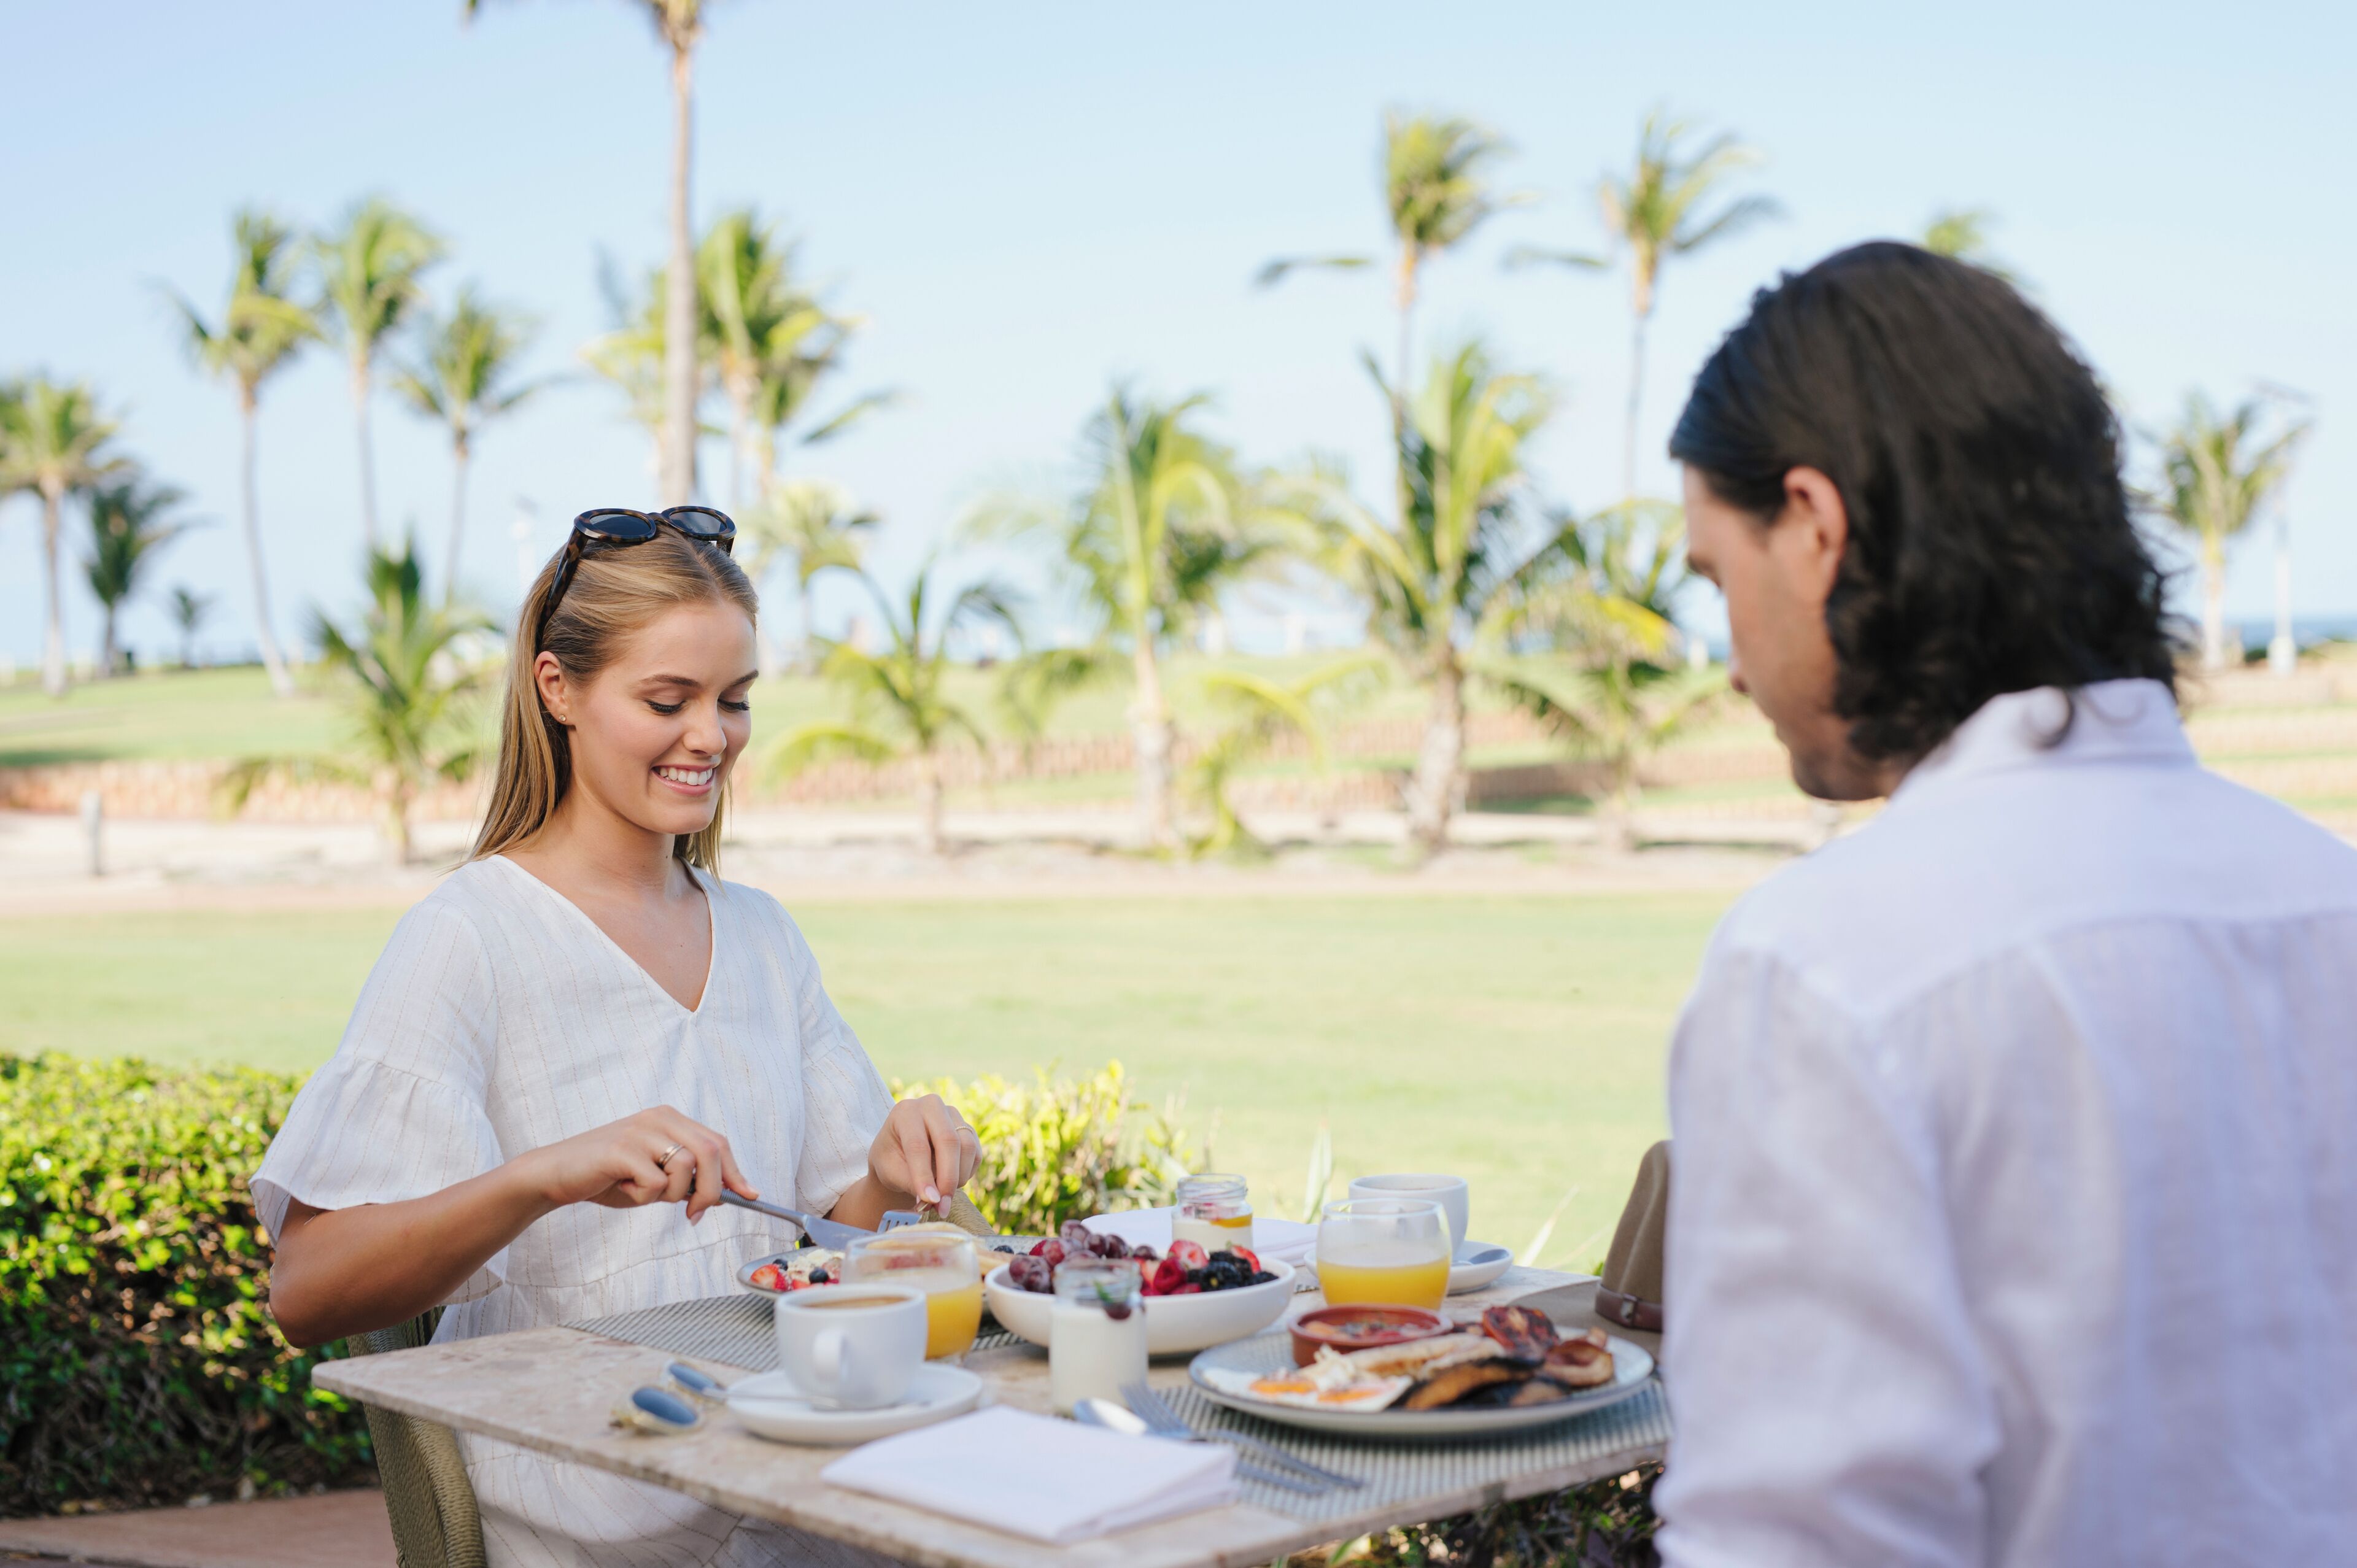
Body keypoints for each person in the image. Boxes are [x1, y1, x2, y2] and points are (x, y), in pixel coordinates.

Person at [1653, 244, 2357, 1566]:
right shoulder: (2331, 895)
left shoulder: (1825, 964)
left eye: (1713, 578)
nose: (1730, 664)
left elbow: (1804, 1544)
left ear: (1812, 524)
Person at [258, 507, 978, 1567]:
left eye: (734, 701)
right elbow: (308, 1292)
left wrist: (884, 1168)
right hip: (591, 1486)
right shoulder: (471, 937)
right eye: (666, 700)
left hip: (776, 1444)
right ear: (559, 689)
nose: (712, 737)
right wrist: (542, 1177)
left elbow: (837, 1234)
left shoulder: (763, 936)